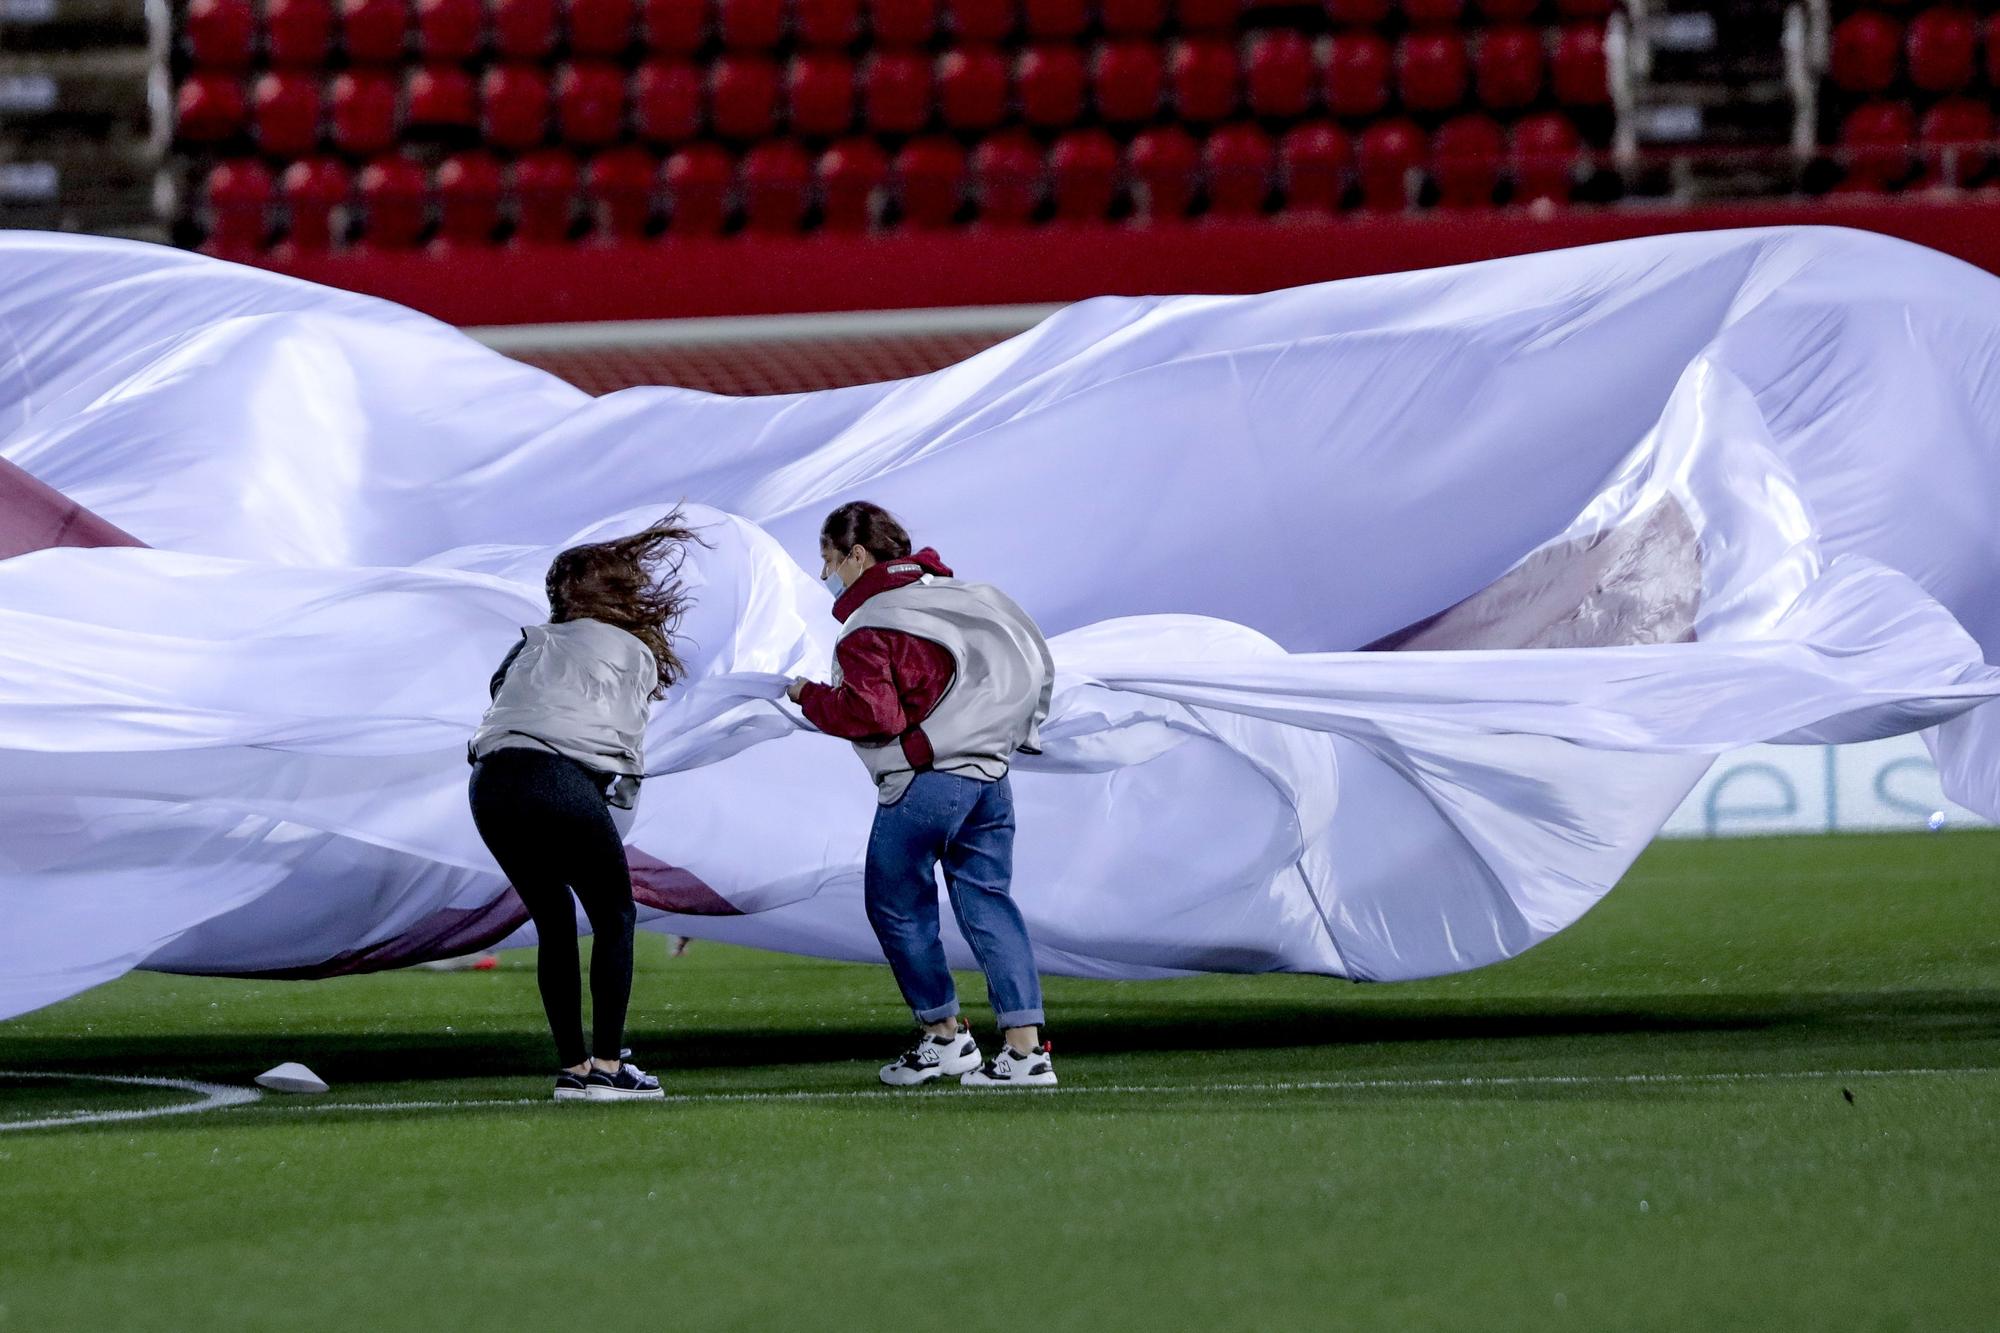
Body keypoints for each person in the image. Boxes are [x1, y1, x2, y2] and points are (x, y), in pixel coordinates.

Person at [787, 501, 1059, 1089]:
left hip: (927, 782)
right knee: (989, 905)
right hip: (993, 778)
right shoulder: (963, 596)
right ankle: (1024, 1051)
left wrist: (807, 694)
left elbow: (873, 715)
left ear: (857, 555)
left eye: (830, 561)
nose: (828, 575)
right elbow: (1033, 665)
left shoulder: (871, 624)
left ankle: (943, 1036)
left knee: (894, 905)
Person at [468, 513, 701, 1102]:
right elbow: (621, 754)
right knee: (614, 918)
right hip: (559, 780)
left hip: (491, 783)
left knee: (553, 921)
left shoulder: (531, 640)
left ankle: (572, 1069)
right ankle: (607, 1067)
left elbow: (501, 694)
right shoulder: (634, 651)